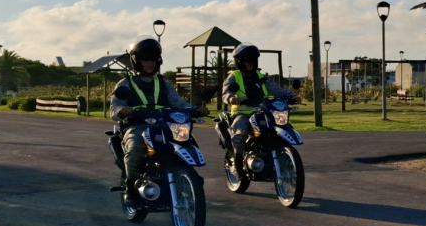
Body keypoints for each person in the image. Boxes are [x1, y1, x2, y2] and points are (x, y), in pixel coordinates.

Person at [110, 37, 208, 204]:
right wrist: (121, 110)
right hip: (137, 125)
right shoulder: (125, 83)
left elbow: (179, 103)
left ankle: (189, 177)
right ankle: (130, 185)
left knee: (187, 140)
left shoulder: (164, 83)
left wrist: (195, 109)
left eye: (153, 59)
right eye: (145, 59)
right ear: (136, 60)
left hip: (164, 125)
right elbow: (114, 108)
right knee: (135, 148)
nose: (150, 63)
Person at [222, 43, 300, 177]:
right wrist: (231, 98)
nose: (250, 63)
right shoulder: (234, 76)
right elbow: (226, 92)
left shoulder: (261, 77)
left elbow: (276, 89)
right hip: (243, 113)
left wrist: (291, 96)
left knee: (282, 126)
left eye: (253, 60)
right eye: (247, 60)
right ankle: (238, 163)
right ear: (239, 62)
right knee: (240, 133)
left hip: (263, 112)